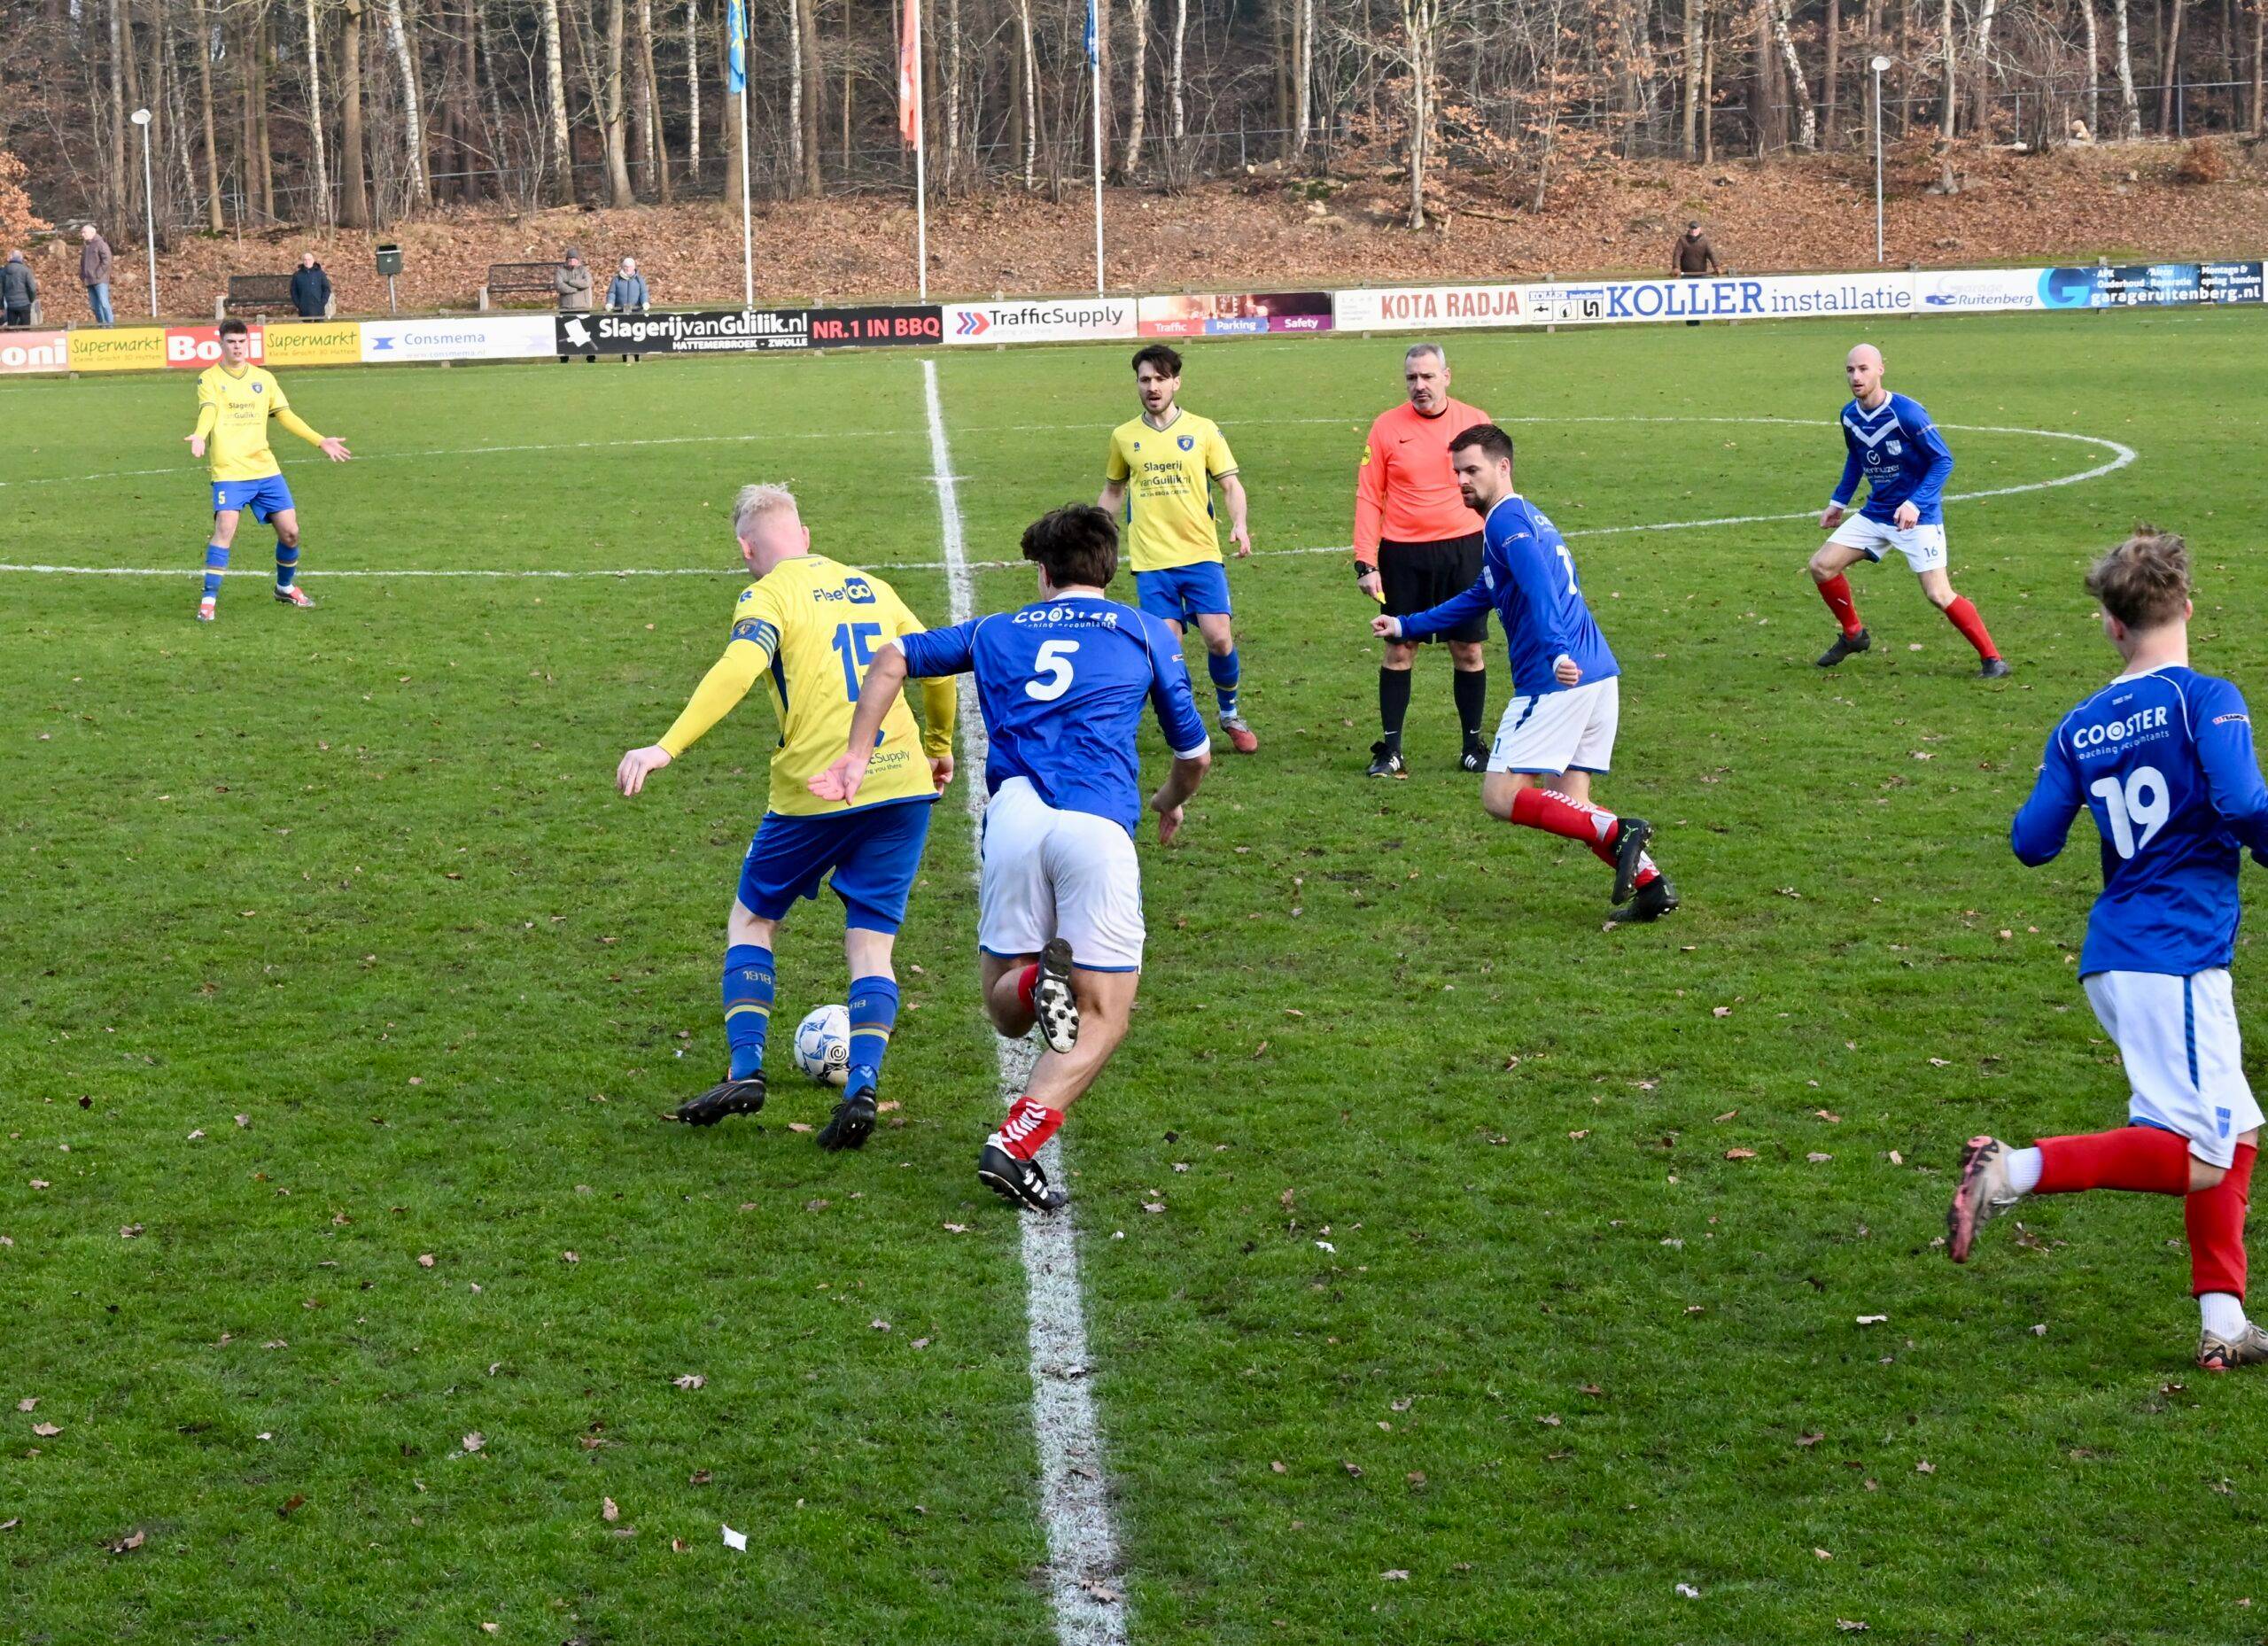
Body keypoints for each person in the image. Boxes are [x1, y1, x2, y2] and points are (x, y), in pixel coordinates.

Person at [809, 504, 1212, 1213]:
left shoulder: (997, 630)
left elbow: (895, 656)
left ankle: (1033, 987)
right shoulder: (1150, 633)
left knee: (1008, 1013)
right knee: (1104, 1014)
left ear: (1043, 572)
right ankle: (1016, 1142)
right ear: (1109, 569)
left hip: (1016, 817)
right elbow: (1194, 755)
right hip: (1097, 827)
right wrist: (1168, 801)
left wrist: (855, 754)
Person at [1949, 528, 2268, 1371]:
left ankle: (2225, 1320)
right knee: (2201, 1156)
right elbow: (2241, 801)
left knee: (2235, 1134)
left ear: (2111, 626)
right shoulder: (2209, 697)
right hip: (2174, 952)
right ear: (2189, 608)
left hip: (2120, 953)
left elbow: (2030, 841)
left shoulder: (2078, 724)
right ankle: (2007, 1172)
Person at [614, 484, 957, 1151]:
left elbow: (738, 669)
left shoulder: (766, 595)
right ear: (803, 534)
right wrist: (939, 747)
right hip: (903, 782)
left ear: (748, 549)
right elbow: (939, 669)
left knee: (752, 917)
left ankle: (746, 1072)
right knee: (870, 943)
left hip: (816, 789)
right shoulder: (874, 587)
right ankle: (862, 1085)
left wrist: (665, 747)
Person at [1371, 424, 1676, 924]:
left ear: (1503, 467)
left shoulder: (1504, 521)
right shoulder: (1528, 517)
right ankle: (1652, 887)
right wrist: (1407, 623)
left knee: (1500, 796)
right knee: (1572, 805)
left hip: (1558, 679)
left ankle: (1622, 829)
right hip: (1598, 675)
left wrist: (1556, 652)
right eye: (1458, 473)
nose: (1462, 481)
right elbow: (1479, 596)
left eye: (1473, 470)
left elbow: (1537, 585)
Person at [1096, 343, 1258, 755]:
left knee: (1219, 638)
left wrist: (1239, 523)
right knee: (1167, 647)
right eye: (1145, 379)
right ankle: (1184, 724)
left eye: (1160, 379)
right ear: (1137, 384)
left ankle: (1229, 713)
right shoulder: (1124, 436)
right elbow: (1114, 491)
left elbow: (1230, 485)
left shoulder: (1204, 430)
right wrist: (1097, 531)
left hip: (1201, 554)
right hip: (1152, 561)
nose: (1152, 387)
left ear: (1176, 383)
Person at [1809, 345, 2008, 678]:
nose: (1856, 377)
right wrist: (1838, 502)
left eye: (1863, 369)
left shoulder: (1907, 413)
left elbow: (1943, 460)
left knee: (1938, 593)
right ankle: (1854, 635)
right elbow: (1856, 457)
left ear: (1880, 370)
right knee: (1821, 566)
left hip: (1919, 517)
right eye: (1850, 370)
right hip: (1876, 514)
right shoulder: (1849, 415)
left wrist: (1916, 502)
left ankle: (1993, 660)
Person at [1355, 345, 1493, 778]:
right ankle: (1391, 751)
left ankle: (1473, 746)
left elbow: (1495, 488)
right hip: (1402, 554)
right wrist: (1366, 560)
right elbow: (1368, 494)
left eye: (1428, 377)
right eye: (1412, 378)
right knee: (1399, 649)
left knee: (1468, 650)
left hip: (1464, 548)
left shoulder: (1476, 422)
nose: (1420, 386)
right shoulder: (1385, 427)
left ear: (1447, 376)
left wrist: (1501, 546)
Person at [185, 317, 353, 622]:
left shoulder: (264, 378)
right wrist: (199, 433)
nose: (237, 347)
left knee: (291, 533)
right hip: (230, 470)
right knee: (225, 529)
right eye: (231, 342)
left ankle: (284, 588)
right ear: (220, 343)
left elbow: (285, 415)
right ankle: (208, 600)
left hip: (265, 468)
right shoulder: (208, 379)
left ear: (247, 343)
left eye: (241, 342)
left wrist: (319, 441)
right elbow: (208, 409)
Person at [1673, 221, 1720, 325]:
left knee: (1701, 299)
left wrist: (1716, 266)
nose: (1694, 230)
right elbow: (1677, 255)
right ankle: (1690, 321)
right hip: (1687, 275)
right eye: (1692, 228)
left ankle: (1699, 319)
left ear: (1700, 229)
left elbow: (1711, 254)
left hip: (1701, 274)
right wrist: (1676, 267)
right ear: (1689, 229)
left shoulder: (1704, 241)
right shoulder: (1683, 240)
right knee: (1688, 300)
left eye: (1696, 228)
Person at [606, 256, 650, 363]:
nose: (627, 269)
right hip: (621, 312)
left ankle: (637, 355)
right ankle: (624, 356)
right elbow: (612, 293)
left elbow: (643, 292)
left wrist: (645, 302)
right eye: (625, 267)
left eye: (630, 267)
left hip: (636, 311)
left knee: (637, 335)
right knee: (623, 336)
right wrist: (610, 303)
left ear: (634, 267)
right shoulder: (616, 279)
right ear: (622, 267)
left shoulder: (639, 279)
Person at [555, 249, 594, 363]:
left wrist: (571, 282)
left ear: (578, 260)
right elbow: (559, 285)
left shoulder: (584, 270)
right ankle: (565, 356)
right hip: (566, 307)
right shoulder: (560, 271)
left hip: (582, 306)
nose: (572, 261)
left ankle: (590, 355)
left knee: (586, 332)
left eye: (574, 259)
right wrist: (574, 290)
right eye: (570, 259)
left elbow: (587, 283)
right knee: (565, 331)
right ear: (566, 260)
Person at [80, 223, 113, 328]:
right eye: (82, 232)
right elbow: (82, 263)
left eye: (84, 232)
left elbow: (107, 260)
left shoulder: (101, 244)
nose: (82, 234)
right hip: (89, 280)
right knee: (95, 306)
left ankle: (110, 326)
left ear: (92, 232)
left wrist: (98, 274)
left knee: (104, 303)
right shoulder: (87, 247)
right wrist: (82, 275)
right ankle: (102, 326)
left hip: (100, 280)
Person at [290, 253, 332, 320]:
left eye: (309, 260)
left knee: (319, 328)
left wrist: (323, 302)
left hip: (318, 307)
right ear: (303, 261)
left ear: (313, 260)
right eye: (305, 260)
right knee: (306, 329)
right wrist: (298, 304)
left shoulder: (320, 274)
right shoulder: (297, 275)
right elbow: (293, 291)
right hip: (304, 308)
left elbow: (326, 289)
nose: (307, 262)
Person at [0, 251, 35, 328]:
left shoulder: (4, 271)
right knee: (26, 328)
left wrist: (1, 306)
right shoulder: (26, 270)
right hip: (25, 304)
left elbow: (0, 291)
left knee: (11, 329)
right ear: (21, 258)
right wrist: (31, 299)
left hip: (11, 305)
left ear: (11, 258)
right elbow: (32, 288)